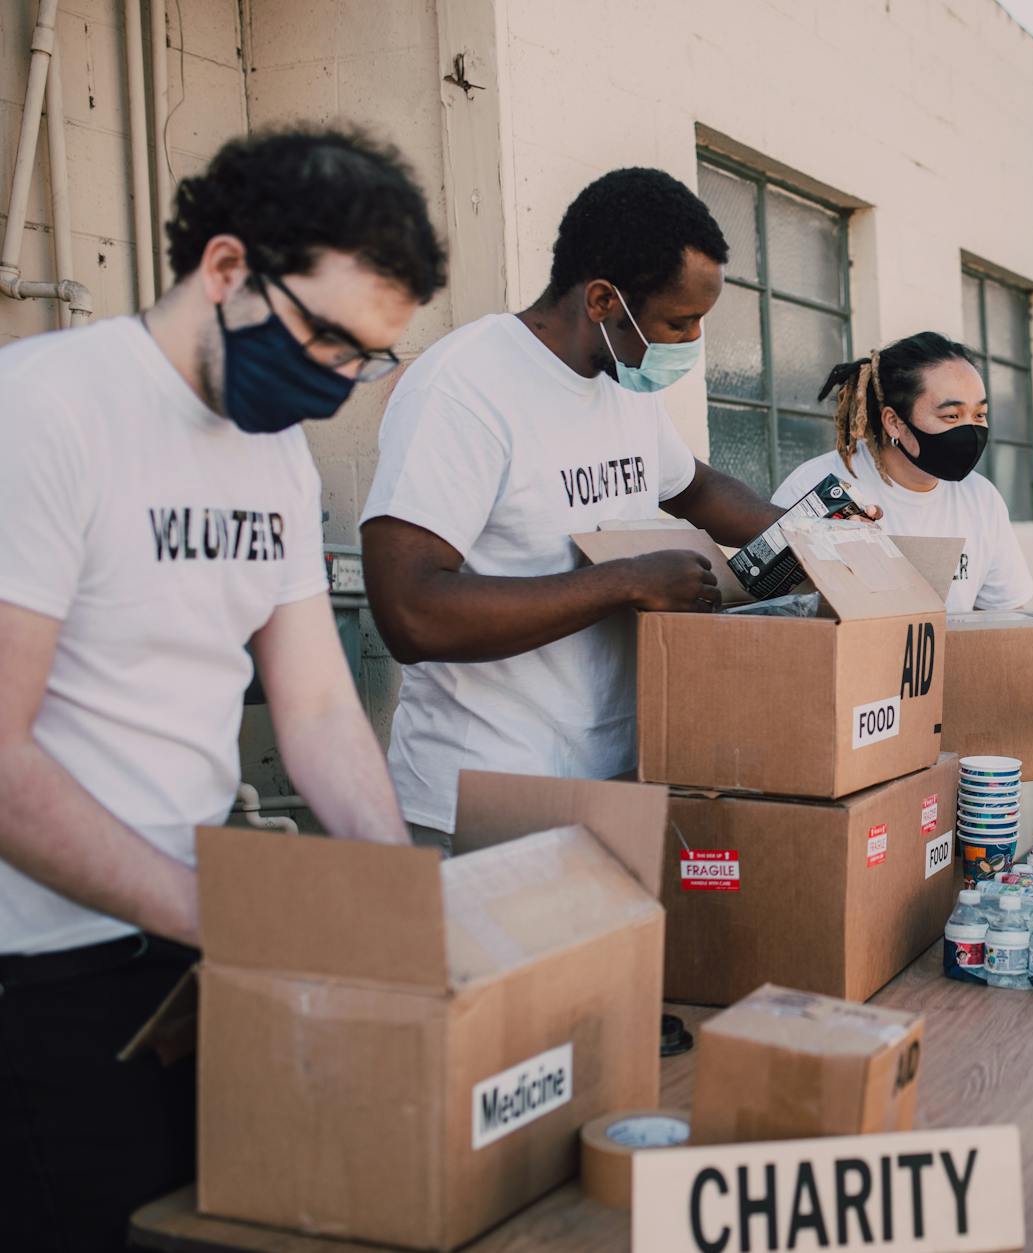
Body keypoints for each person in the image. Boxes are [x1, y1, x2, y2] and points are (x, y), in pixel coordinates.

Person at [0, 127, 444, 1250]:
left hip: (185, 945)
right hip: (37, 968)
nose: (334, 382)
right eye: (326, 338)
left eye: (365, 359)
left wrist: (397, 895)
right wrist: (226, 916)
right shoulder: (45, 412)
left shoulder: (274, 452)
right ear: (228, 266)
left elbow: (319, 706)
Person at [360, 168, 787, 847]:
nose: (691, 343)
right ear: (601, 300)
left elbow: (696, 489)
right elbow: (409, 612)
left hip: (609, 782)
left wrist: (814, 542)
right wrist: (625, 582)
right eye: (679, 322)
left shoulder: (623, 384)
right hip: (484, 797)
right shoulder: (464, 388)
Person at [773, 331, 1033, 613]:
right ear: (894, 422)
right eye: (951, 416)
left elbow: (1006, 616)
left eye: (979, 415)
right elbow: (768, 608)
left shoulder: (982, 499)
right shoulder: (815, 487)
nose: (970, 430)